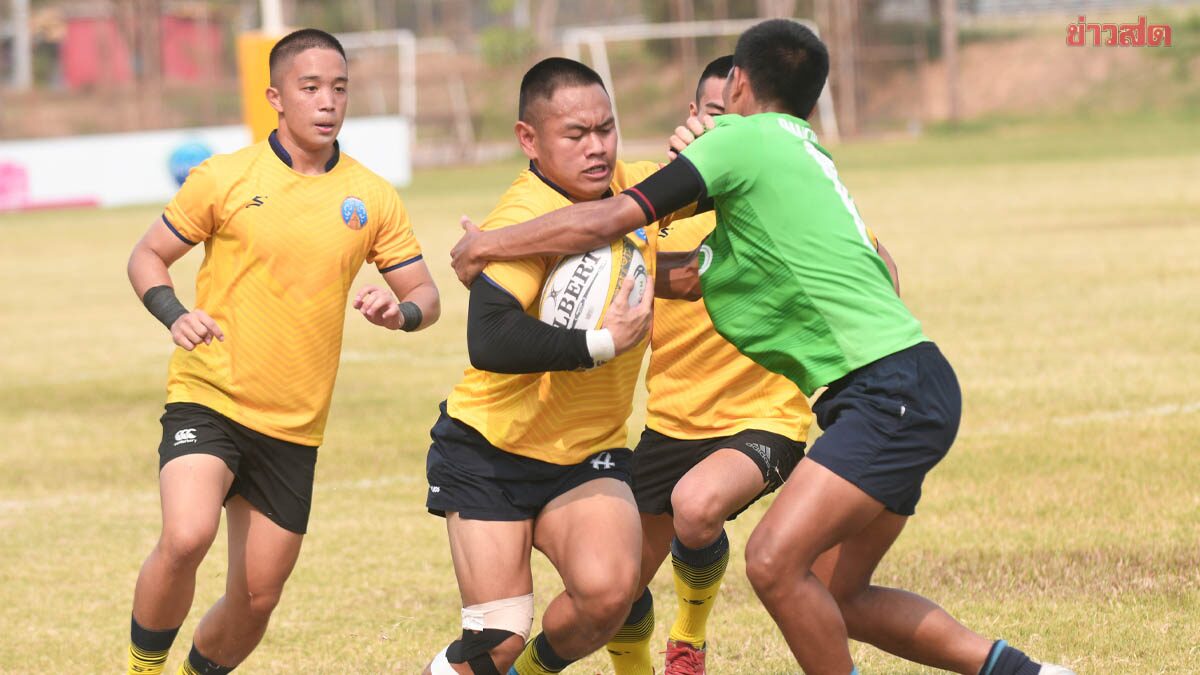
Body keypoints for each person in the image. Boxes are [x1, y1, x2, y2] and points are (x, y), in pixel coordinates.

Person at [447, 19, 1074, 675]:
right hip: (906, 387)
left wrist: (487, 243)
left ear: (739, 83)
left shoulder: (741, 142)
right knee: (839, 595)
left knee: (773, 560)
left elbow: (609, 217)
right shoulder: (801, 153)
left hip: (885, 393)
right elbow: (684, 271)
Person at [124, 28, 440, 675]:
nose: (328, 102)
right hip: (209, 395)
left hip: (295, 423)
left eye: (340, 88)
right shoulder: (224, 177)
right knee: (187, 535)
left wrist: (400, 310)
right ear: (276, 96)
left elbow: (427, 294)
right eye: (311, 87)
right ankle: (141, 669)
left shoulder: (373, 196)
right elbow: (147, 256)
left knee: (258, 596)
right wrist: (174, 312)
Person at [420, 57, 668, 675]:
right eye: (576, 135)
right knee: (496, 641)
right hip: (489, 452)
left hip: (586, 452)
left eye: (606, 129)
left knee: (612, 593)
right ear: (528, 139)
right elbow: (491, 337)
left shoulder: (633, 189)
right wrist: (601, 343)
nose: (597, 149)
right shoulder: (521, 214)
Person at [603, 55, 812, 675]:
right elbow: (569, 199)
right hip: (669, 423)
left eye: (744, 121)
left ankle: (688, 641)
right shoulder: (644, 186)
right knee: (611, 590)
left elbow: (881, 270)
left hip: (765, 417)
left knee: (696, 506)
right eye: (716, 117)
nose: (728, 133)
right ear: (691, 117)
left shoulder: (788, 185)